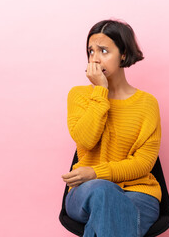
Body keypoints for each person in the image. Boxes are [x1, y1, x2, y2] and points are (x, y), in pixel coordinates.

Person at [61, 19, 162, 237]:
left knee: (108, 213)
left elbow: (144, 163)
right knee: (103, 192)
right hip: (87, 192)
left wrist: (97, 172)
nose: (95, 59)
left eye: (104, 51)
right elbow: (86, 140)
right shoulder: (79, 96)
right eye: (90, 51)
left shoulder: (147, 103)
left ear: (123, 54)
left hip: (139, 193)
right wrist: (100, 92)